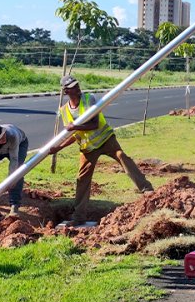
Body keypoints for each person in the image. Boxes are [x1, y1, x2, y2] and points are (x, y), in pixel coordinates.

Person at [48, 75, 153, 226]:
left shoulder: (89, 99)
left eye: (77, 85)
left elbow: (95, 124)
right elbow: (73, 134)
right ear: (66, 91)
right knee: (82, 179)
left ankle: (146, 189)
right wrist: (59, 147)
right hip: (88, 148)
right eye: (73, 87)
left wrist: (75, 126)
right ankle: (78, 217)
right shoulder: (64, 111)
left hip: (105, 139)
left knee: (122, 156)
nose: (77, 89)